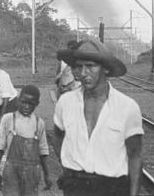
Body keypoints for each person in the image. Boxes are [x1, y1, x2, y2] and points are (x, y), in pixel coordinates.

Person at [53, 38, 143, 196]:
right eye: (79, 67)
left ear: (106, 69)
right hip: (75, 187)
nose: (83, 73)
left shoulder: (127, 107)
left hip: (112, 188)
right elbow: (58, 137)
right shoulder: (66, 102)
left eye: (90, 66)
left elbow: (135, 157)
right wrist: (69, 164)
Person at [0, 85, 52, 195]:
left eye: (31, 104)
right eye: (24, 102)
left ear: (37, 104)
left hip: (32, 174)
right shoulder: (8, 119)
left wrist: (47, 174)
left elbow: (43, 151)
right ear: (18, 100)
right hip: (11, 172)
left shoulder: (39, 123)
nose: (26, 106)